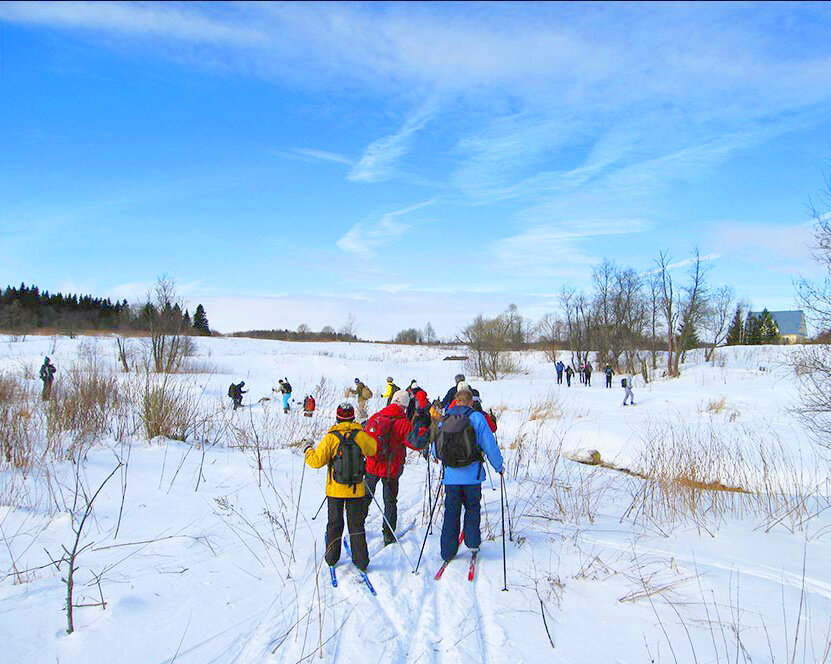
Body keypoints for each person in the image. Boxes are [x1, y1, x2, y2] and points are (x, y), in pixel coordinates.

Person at [433, 382, 503, 563]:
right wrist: (499, 466)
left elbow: (435, 450)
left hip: (451, 477)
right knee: (472, 508)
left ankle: (447, 551)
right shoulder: (477, 418)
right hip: (472, 476)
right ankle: (472, 543)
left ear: (456, 401)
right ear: (471, 402)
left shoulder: (444, 419)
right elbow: (490, 445)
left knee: (451, 511)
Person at [303, 402, 377, 572]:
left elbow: (316, 462)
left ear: (337, 418)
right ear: (353, 417)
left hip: (335, 490)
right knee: (356, 525)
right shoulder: (360, 435)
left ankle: (331, 558)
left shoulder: (331, 437)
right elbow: (373, 449)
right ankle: (361, 561)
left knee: (335, 524)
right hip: (356, 489)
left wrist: (308, 449)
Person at [363, 390, 426, 546]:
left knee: (365, 497)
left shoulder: (376, 417)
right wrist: (424, 429)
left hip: (371, 465)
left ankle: (357, 526)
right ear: (404, 407)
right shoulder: (402, 423)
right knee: (390, 501)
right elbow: (416, 443)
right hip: (390, 469)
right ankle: (388, 534)